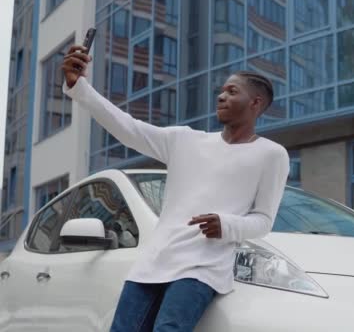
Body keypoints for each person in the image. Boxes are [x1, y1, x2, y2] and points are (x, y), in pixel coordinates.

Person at [62, 45, 290, 331]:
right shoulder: (186, 140)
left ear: (255, 103)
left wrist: (226, 225)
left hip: (202, 268)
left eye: (232, 92)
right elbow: (128, 128)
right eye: (222, 90)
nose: (221, 96)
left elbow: (263, 221)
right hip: (153, 262)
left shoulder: (272, 154)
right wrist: (78, 87)